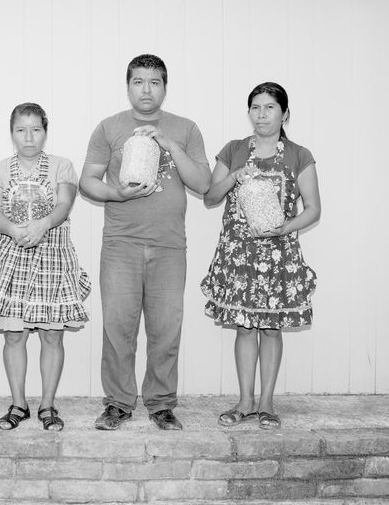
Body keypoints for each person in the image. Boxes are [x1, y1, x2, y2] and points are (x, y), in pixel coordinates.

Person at [80, 54, 210, 431]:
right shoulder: (110, 127)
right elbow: (88, 179)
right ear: (128, 87)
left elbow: (202, 183)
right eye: (138, 81)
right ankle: (118, 403)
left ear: (165, 88)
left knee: (166, 327)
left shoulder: (185, 128)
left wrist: (168, 142)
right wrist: (116, 194)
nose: (146, 89)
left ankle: (161, 404)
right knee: (118, 325)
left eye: (154, 82)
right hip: (121, 243)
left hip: (169, 245)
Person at [201, 82, 319, 430]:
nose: (262, 114)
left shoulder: (299, 155)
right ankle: (244, 401)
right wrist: (235, 176)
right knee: (243, 328)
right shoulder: (234, 150)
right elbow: (210, 197)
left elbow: (313, 210)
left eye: (270, 107)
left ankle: (267, 402)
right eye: (255, 107)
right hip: (239, 255)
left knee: (270, 329)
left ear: (284, 114)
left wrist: (282, 229)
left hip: (279, 255)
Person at [0, 103, 90, 432]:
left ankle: (48, 405)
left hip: (52, 256)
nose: (28, 137)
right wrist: (15, 230)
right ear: (11, 132)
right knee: (14, 336)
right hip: (11, 257)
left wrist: (42, 225)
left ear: (45, 130)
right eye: (21, 130)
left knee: (52, 336)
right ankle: (18, 403)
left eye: (35, 129)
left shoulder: (62, 167)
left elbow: (65, 205)